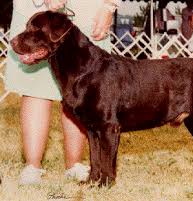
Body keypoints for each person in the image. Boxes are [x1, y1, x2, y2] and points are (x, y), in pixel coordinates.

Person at [5, 0, 120, 185]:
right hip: (37, 12)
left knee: (84, 96)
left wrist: (109, 5)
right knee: (36, 89)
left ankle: (75, 165)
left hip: (87, 11)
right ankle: (32, 167)